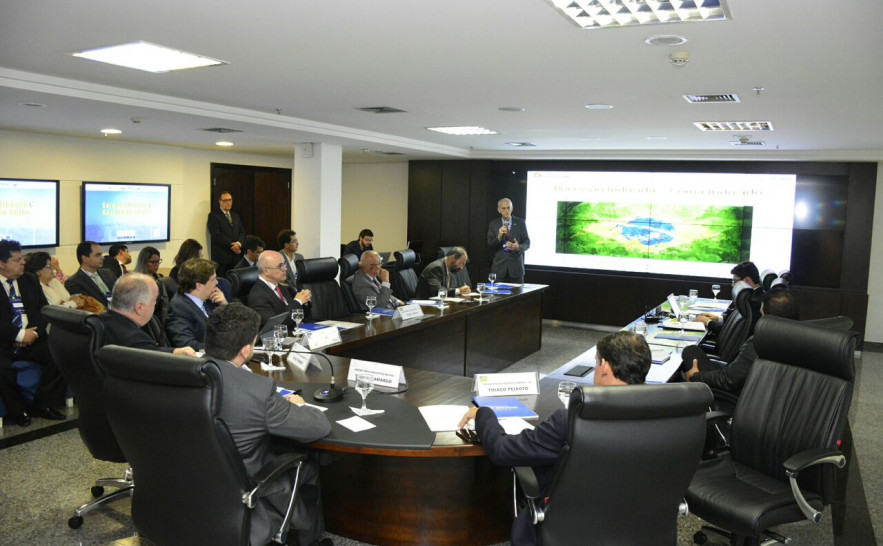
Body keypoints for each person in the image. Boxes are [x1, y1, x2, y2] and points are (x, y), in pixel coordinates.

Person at [457, 331, 651, 546]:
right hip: (641, 524)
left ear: (604, 366)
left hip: (570, 529)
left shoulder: (571, 422)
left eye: (596, 362)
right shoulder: (665, 416)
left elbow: (502, 450)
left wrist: (484, 414)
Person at [204, 303, 331, 546]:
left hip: (191, 480)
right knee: (308, 463)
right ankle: (309, 538)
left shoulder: (179, 374)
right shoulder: (257, 391)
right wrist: (299, 405)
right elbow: (319, 427)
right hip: (244, 485)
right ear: (246, 350)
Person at [0, 240, 68, 426]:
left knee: (59, 353)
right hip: (4, 342)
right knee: (2, 370)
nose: (23, 262)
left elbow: (42, 310)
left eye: (22, 258)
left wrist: (32, 335)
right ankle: (17, 411)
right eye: (17, 260)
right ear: (2, 263)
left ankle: (42, 404)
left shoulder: (29, 280)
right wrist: (19, 335)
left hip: (33, 336)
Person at [684, 290, 799, 395]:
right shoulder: (799, 341)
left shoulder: (760, 343)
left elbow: (727, 380)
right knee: (692, 350)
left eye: (762, 315)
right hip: (759, 394)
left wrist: (696, 376)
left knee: (689, 352)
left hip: (735, 398)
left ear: (767, 318)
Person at [101, 273, 196, 356]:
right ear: (140, 308)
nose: (155, 306)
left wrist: (174, 352)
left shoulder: (99, 322)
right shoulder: (136, 340)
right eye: (154, 301)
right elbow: (149, 353)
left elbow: (151, 350)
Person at [165, 259, 227, 351]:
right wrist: (224, 348)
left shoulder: (210, 300)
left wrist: (225, 306)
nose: (217, 282)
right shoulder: (179, 308)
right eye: (213, 279)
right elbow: (187, 345)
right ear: (199, 286)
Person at [695, 261, 763, 336]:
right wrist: (718, 319)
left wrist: (708, 322)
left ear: (747, 280)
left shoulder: (754, 303)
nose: (732, 285)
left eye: (735, 281)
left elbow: (732, 333)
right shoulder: (753, 296)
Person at [248, 251, 311, 328]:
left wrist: (305, 299)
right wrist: (298, 301)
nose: (285, 269)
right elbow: (277, 324)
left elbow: (301, 312)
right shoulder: (258, 295)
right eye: (280, 266)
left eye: (285, 264)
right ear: (266, 271)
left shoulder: (282, 286)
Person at [487, 198, 531, 284]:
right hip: (499, 269)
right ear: (499, 210)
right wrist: (499, 236)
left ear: (512, 208)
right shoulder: (493, 224)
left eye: (508, 208)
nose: (506, 210)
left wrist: (518, 247)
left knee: (518, 293)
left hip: (516, 269)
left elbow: (527, 242)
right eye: (503, 208)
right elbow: (490, 245)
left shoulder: (520, 223)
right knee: (497, 293)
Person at [64, 241, 117, 307]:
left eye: (101, 254)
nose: (103, 258)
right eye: (98, 255)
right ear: (85, 258)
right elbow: (85, 307)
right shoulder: (73, 282)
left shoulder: (108, 273)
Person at [206, 191, 246, 277]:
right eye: (225, 200)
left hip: (236, 257)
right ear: (220, 202)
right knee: (223, 281)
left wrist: (238, 244)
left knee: (235, 281)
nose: (228, 203)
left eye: (230, 200)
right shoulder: (214, 216)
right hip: (222, 258)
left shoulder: (235, 215)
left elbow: (242, 232)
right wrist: (233, 246)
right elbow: (216, 235)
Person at [134, 246, 170, 324]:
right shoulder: (135, 282)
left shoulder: (159, 278)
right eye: (153, 262)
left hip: (160, 321)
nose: (156, 265)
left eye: (158, 261)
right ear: (143, 262)